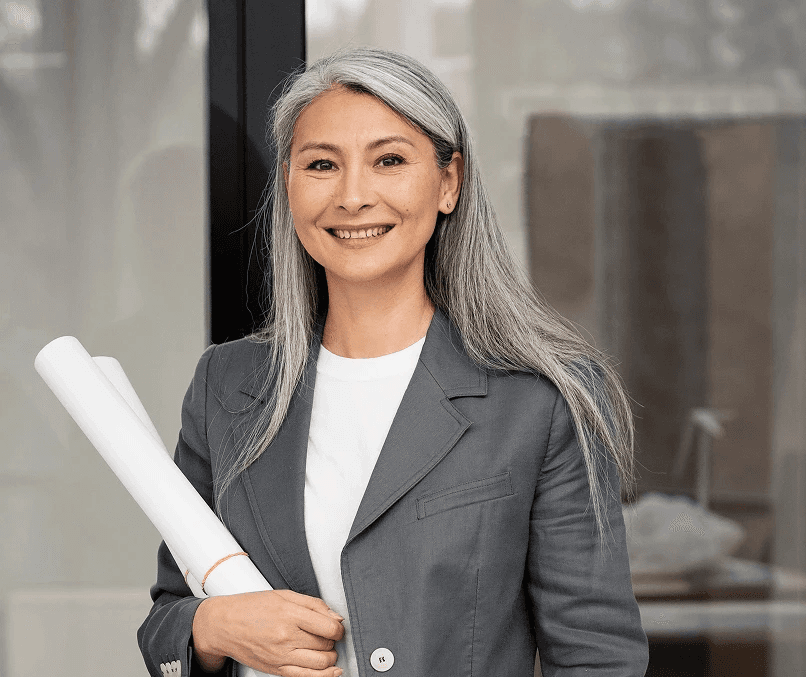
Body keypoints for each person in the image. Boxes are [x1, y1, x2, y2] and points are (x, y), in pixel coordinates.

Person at [138, 47, 649, 677]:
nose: (353, 197)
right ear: (290, 186)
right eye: (322, 164)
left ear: (448, 182)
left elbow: (597, 656)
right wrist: (212, 627)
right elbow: (169, 616)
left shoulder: (540, 398)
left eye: (389, 161)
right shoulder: (228, 385)